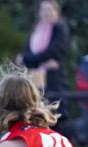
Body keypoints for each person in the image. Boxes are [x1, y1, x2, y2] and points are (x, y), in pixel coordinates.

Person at [20, 0, 70, 134]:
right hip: (36, 79)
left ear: (56, 11)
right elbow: (27, 53)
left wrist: (29, 59)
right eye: (44, 9)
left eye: (49, 9)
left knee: (54, 116)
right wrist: (38, 61)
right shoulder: (37, 29)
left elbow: (53, 51)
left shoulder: (60, 28)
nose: (46, 13)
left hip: (53, 81)